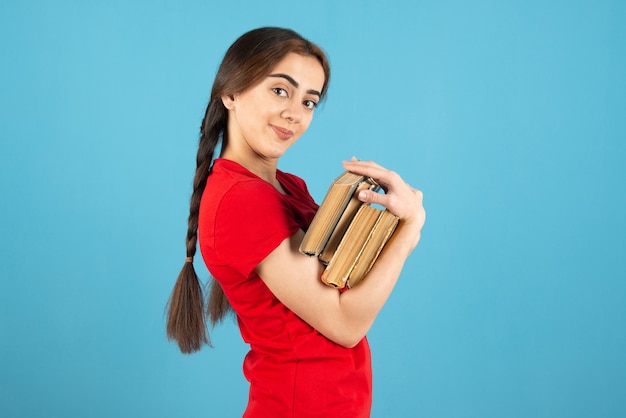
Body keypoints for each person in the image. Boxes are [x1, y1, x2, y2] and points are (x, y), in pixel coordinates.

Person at [166, 27, 426, 417]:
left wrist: (381, 220)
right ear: (231, 93)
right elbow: (344, 324)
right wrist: (409, 231)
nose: (294, 113)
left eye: (309, 101)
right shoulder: (241, 199)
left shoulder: (285, 186)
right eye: (279, 91)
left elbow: (341, 285)